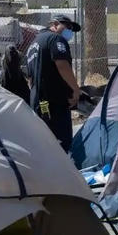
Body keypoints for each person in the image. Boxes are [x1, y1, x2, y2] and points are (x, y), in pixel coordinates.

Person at [28, 15, 81, 152]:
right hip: (55, 103)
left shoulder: (34, 44)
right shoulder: (56, 39)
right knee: (61, 143)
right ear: (55, 24)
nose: (69, 31)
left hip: (39, 103)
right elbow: (62, 64)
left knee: (44, 143)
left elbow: (30, 79)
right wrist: (75, 89)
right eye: (67, 26)